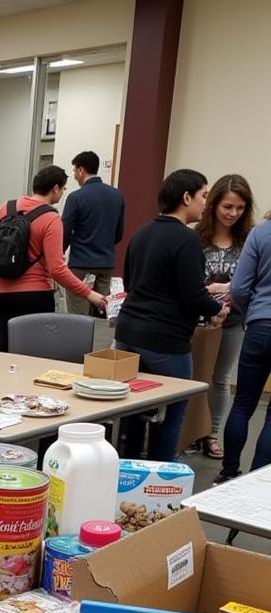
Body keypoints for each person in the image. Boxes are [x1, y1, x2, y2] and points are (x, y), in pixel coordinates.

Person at [115, 169, 226, 461]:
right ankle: (159, 483)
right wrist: (217, 308)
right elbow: (193, 295)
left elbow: (129, 284)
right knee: (172, 413)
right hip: (165, 341)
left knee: (133, 412)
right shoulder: (186, 241)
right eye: (203, 195)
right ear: (186, 197)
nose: (206, 203)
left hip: (127, 335)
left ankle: (129, 473)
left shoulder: (141, 233)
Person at [0, 165, 106, 353]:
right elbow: (57, 269)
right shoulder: (51, 218)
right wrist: (88, 293)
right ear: (56, 188)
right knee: (35, 355)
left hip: (1, 293)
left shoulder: (6, 207)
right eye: (64, 188)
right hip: (35, 295)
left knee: (2, 352)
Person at [195, 174, 255, 459]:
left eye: (240, 208)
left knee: (220, 378)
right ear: (214, 205)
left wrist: (229, 291)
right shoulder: (197, 237)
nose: (233, 213)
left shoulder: (248, 239)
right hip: (197, 319)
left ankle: (212, 433)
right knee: (195, 377)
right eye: (227, 207)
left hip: (233, 321)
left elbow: (255, 279)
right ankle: (192, 431)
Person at [219, 212, 271, 483]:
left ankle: (228, 473)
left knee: (242, 404)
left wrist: (254, 313)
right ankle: (257, 482)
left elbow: (238, 287)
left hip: (260, 325)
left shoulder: (260, 233)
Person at [61, 150, 125, 316]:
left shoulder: (75, 197)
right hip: (106, 264)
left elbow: (65, 232)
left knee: (79, 314)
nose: (75, 175)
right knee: (103, 310)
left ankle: (81, 342)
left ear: (81, 170)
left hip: (80, 264)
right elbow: (119, 233)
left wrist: (58, 253)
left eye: (75, 171)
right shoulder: (117, 195)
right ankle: (99, 342)